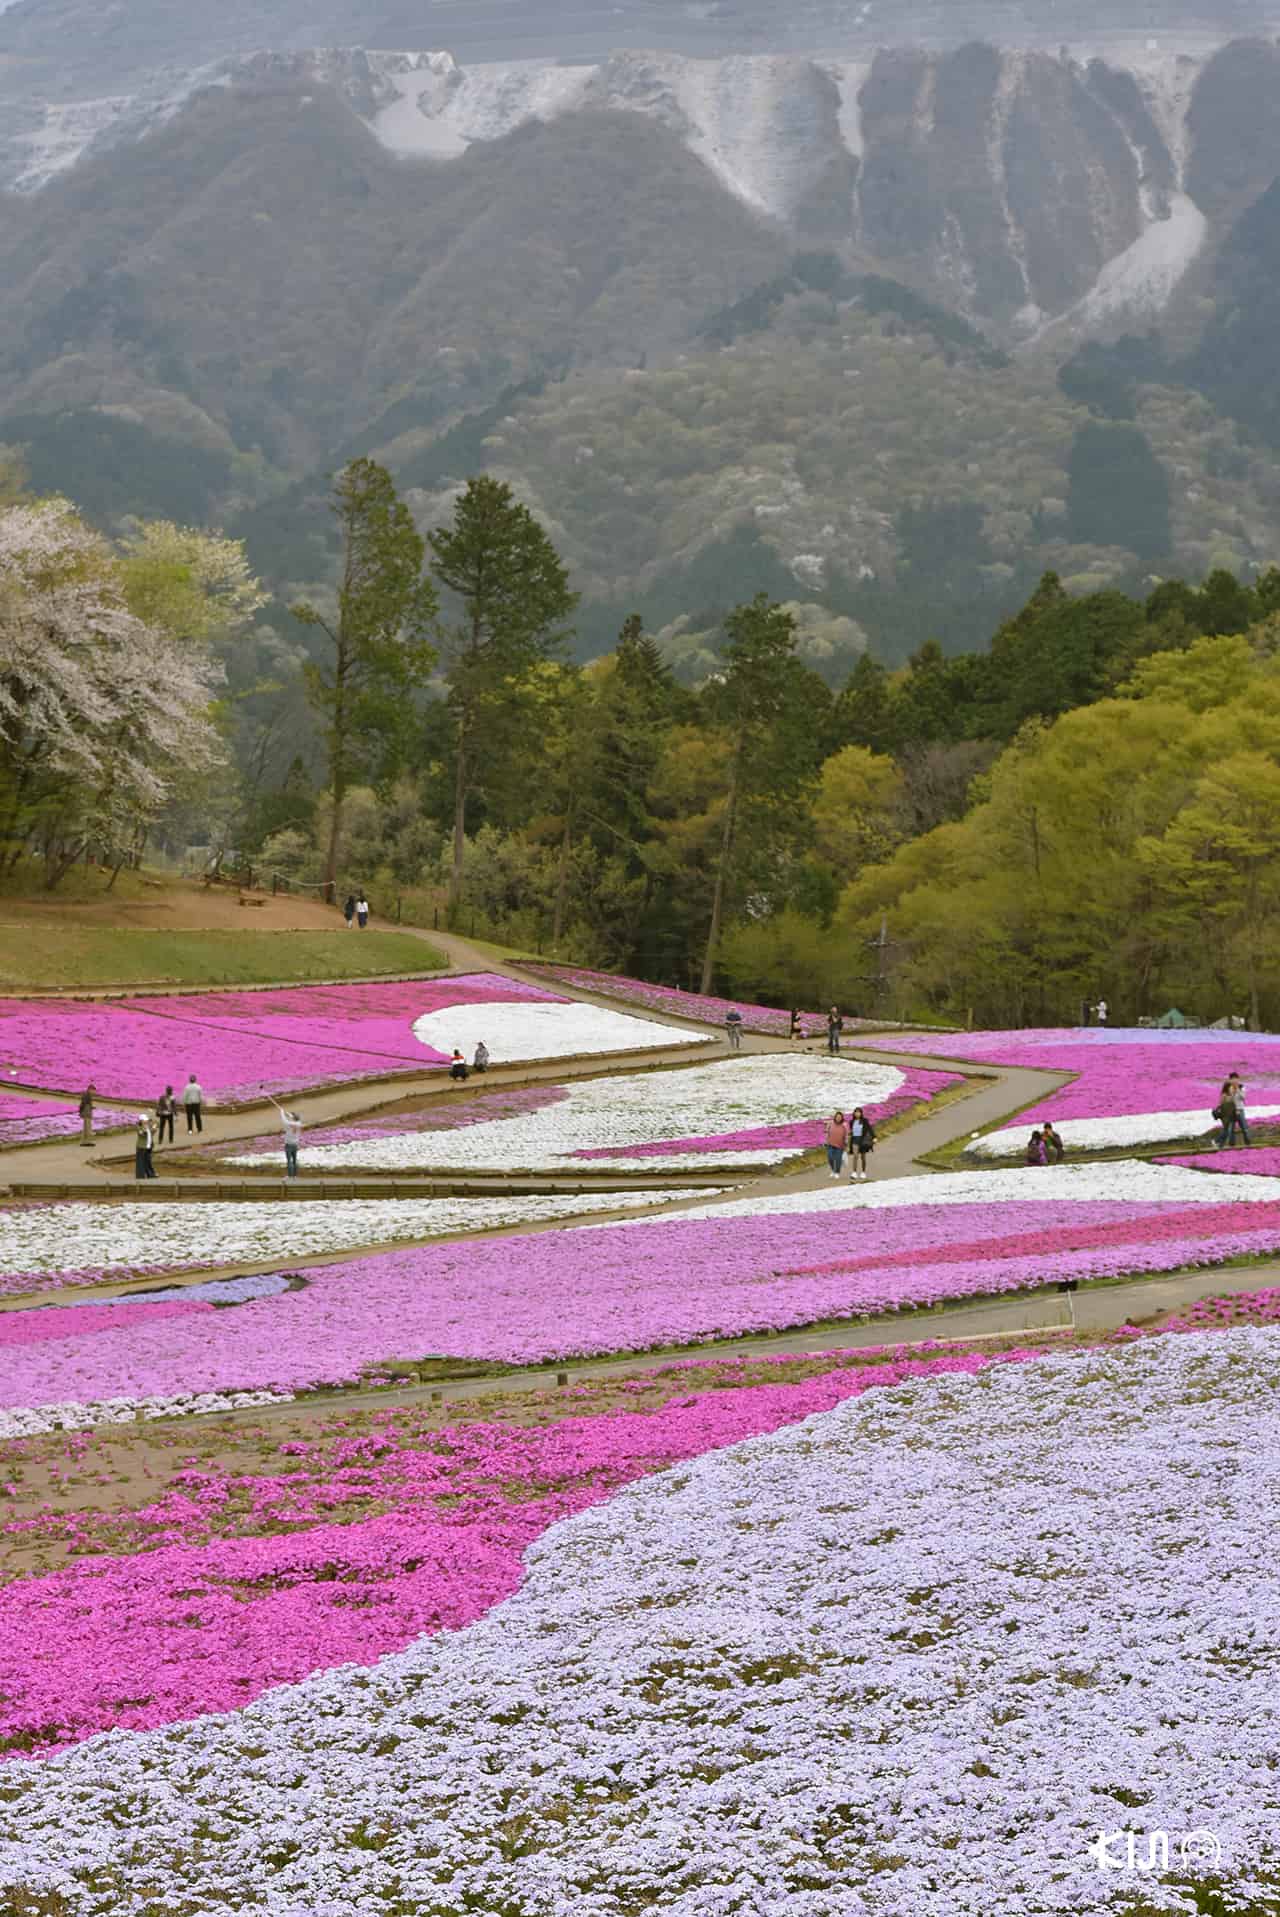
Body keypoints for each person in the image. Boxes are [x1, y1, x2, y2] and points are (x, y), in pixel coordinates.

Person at [848, 1107, 875, 1180]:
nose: (857, 1113)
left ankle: (863, 1172)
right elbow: (851, 1131)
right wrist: (849, 1134)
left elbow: (870, 1129)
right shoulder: (851, 1122)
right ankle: (854, 1172)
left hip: (863, 1140)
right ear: (854, 1113)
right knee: (855, 1156)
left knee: (863, 1157)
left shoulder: (864, 1121)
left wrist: (874, 1137)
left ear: (861, 1113)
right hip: (855, 1140)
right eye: (856, 1112)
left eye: (859, 1112)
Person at [824, 1109, 848, 1179]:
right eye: (837, 1117)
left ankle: (837, 1172)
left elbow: (846, 1135)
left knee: (838, 1159)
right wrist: (826, 1141)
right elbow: (826, 1132)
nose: (838, 1118)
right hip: (830, 1144)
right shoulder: (831, 1123)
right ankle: (833, 1170)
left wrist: (846, 1143)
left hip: (840, 1145)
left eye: (840, 1117)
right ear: (835, 1117)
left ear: (842, 1118)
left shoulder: (844, 1125)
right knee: (830, 1158)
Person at [281, 1108, 303, 1179]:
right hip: (295, 1145)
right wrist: (288, 1114)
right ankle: (295, 1175)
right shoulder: (299, 1123)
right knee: (294, 1160)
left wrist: (282, 1112)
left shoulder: (290, 1123)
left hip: (289, 1145)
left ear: (293, 1118)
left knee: (289, 1161)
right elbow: (293, 1118)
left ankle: (289, 1175)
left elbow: (284, 1121)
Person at [135, 1113, 157, 1179]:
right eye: (145, 1120)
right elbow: (142, 1133)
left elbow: (152, 1133)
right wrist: (151, 1128)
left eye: (146, 1120)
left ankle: (150, 1174)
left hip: (148, 1146)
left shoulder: (148, 1126)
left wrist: (154, 1128)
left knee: (148, 1160)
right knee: (140, 1162)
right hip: (141, 1147)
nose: (146, 1121)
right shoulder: (139, 1127)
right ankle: (140, 1175)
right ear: (141, 1121)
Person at [77, 1082, 95, 1146]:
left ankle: (86, 1142)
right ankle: (85, 1142)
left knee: (87, 1128)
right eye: (93, 1090)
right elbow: (83, 1104)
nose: (94, 1092)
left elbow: (85, 1104)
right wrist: (81, 1112)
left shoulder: (88, 1095)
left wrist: (91, 1107)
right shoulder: (86, 1095)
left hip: (88, 1113)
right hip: (86, 1113)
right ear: (90, 1089)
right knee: (87, 1128)